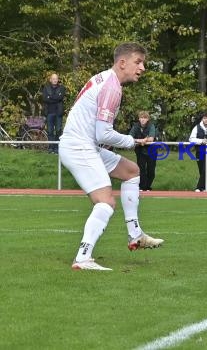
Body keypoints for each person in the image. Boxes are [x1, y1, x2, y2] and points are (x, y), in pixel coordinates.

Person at [59, 42, 164, 271]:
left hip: (85, 145)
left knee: (131, 172)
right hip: (79, 147)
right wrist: (133, 141)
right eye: (138, 62)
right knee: (106, 202)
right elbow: (103, 133)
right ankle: (83, 258)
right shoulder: (112, 87)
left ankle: (135, 234)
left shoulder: (105, 79)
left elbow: (97, 132)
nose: (143, 67)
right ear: (122, 62)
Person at [189, 112, 207, 192]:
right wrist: (202, 141)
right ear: (202, 119)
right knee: (201, 169)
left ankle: (198, 187)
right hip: (199, 150)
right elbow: (191, 139)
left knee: (206, 169)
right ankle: (206, 188)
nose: (206, 120)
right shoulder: (197, 127)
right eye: (204, 118)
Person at [129, 110, 157, 191]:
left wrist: (145, 140)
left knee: (151, 170)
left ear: (148, 119)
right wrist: (141, 140)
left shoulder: (151, 126)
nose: (143, 119)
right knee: (141, 169)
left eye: (145, 118)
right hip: (140, 150)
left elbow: (151, 139)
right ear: (139, 119)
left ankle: (148, 186)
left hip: (152, 151)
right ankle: (142, 187)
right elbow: (130, 137)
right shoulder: (135, 126)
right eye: (141, 118)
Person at [42, 72, 66, 154]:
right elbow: (45, 99)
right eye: (53, 79)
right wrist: (55, 97)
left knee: (58, 131)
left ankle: (57, 148)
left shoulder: (62, 88)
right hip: (49, 112)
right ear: (50, 80)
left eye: (56, 79)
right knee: (50, 131)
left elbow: (60, 97)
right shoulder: (46, 88)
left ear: (58, 79)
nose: (55, 80)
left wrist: (50, 97)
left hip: (58, 113)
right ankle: (51, 148)